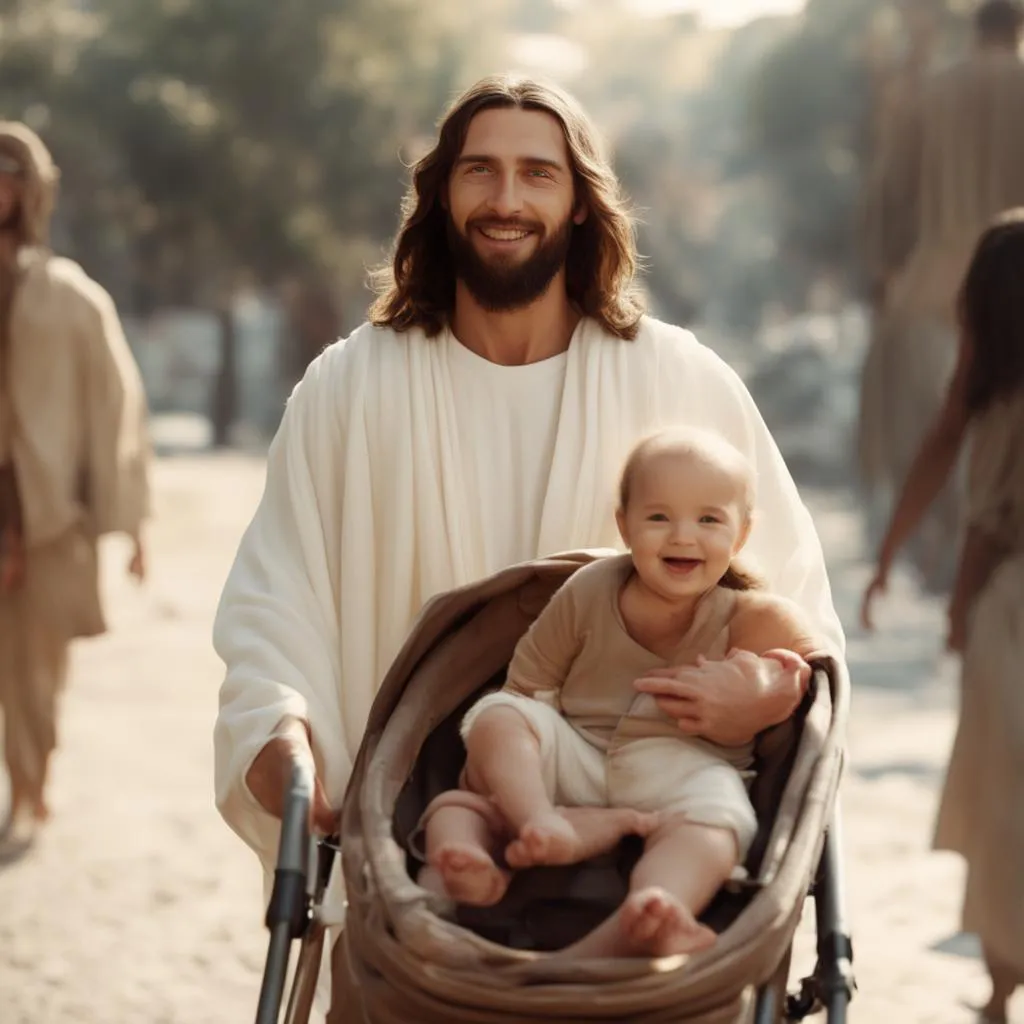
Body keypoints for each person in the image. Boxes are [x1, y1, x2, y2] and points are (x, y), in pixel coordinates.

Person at [212, 75, 843, 1019]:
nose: (507, 200)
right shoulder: (349, 390)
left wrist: (769, 686)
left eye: (537, 175)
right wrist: (283, 739)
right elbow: (279, 596)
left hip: (646, 859)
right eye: (481, 171)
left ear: (581, 206)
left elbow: (792, 603)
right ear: (439, 196)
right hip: (413, 869)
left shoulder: (683, 382)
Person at [419, 428, 827, 960]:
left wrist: (757, 701)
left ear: (741, 535)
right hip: (579, 755)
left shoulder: (755, 616)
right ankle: (509, 835)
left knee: (719, 818)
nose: (683, 536)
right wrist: (518, 770)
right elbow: (528, 685)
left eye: (709, 519)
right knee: (494, 720)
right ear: (624, 525)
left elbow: (810, 678)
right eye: (658, 517)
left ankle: (655, 909)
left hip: (682, 769)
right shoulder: (588, 591)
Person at [862, 208, 1024, 1024]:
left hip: (1010, 607)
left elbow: (982, 514)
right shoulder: (985, 386)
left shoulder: (986, 383)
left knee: (1005, 799)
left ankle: (1002, 986)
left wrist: (902, 565)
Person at [0, 122, 150, 837]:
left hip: (45, 517)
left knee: (33, 672)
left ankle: (28, 788)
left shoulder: (71, 297)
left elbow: (113, 409)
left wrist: (129, 524)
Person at [856, 0, 1024, 592]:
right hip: (1014, 279)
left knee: (943, 422)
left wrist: (887, 274)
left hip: (933, 283)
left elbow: (890, 200)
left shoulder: (929, 95)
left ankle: (944, 551)